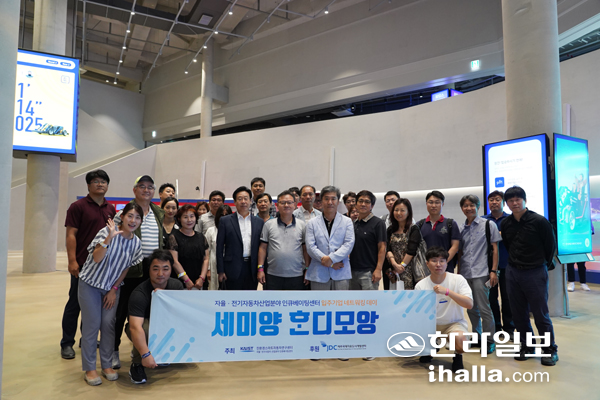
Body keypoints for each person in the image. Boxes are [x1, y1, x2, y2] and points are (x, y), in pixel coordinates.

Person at [78, 202, 144, 385]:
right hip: (90, 284)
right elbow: (96, 257)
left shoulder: (136, 243)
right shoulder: (106, 232)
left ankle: (106, 365)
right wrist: (108, 238)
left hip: (111, 288)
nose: (133, 220)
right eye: (130, 216)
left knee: (108, 325)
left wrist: (114, 289)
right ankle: (90, 368)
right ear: (122, 217)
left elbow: (126, 268)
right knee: (92, 325)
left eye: (137, 217)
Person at [61, 170, 116, 360]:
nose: (100, 184)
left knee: (93, 306)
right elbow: (71, 235)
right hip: (83, 265)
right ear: (88, 185)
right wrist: (72, 260)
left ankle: (87, 339)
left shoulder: (110, 209)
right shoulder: (77, 207)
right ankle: (66, 343)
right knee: (75, 304)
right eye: (96, 181)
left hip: (101, 266)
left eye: (103, 181)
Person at [501, 186, 558, 366]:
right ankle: (527, 346)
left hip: (535, 272)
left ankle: (550, 350)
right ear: (507, 203)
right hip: (513, 272)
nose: (514, 203)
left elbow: (550, 247)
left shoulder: (539, 221)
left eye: (518, 199)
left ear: (524, 200)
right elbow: (509, 245)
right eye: (511, 200)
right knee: (518, 313)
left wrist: (539, 264)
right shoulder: (506, 223)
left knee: (540, 314)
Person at [112, 175, 165, 370]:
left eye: (150, 187)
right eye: (142, 186)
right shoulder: (125, 213)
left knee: (148, 314)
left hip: (152, 271)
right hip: (129, 271)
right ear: (134, 190)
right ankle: (113, 351)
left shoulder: (158, 212)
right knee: (120, 313)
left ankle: (146, 351)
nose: (146, 190)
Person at [126, 250, 184, 384]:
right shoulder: (139, 293)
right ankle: (137, 364)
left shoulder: (176, 286)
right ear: (149, 270)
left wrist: (167, 297)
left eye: (165, 269)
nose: (160, 274)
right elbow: (135, 327)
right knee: (145, 329)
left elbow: (182, 313)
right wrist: (145, 355)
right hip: (143, 326)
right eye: (155, 269)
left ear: (171, 270)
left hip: (166, 323)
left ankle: (162, 354)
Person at [415, 247, 473, 372]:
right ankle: (432, 347)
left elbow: (469, 304)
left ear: (447, 263)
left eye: (442, 261)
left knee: (461, 343)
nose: (438, 264)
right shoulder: (420, 285)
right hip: (430, 326)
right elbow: (418, 313)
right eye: (434, 261)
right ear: (427, 263)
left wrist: (447, 292)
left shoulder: (458, 279)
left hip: (453, 324)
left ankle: (457, 356)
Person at [458, 194, 500, 353]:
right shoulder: (461, 228)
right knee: (471, 308)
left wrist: (493, 271)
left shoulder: (488, 225)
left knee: (484, 308)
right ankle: (477, 336)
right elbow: (460, 252)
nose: (468, 208)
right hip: (466, 273)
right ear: (462, 208)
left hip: (482, 272)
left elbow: (495, 249)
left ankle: (489, 340)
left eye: (472, 205)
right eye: (465, 205)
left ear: (478, 207)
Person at [257, 190, 310, 290]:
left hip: (297, 275)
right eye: (282, 202)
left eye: (289, 202)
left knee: (295, 300)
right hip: (272, 275)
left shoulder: (302, 225)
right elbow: (263, 248)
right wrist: (260, 269)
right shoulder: (269, 224)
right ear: (277, 205)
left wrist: (307, 269)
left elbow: (305, 249)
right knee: (272, 300)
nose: (286, 205)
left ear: (295, 205)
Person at [306, 186, 355, 290]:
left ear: (338, 201)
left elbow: (348, 244)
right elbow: (310, 246)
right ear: (321, 201)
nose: (330, 202)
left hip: (341, 272)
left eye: (333, 199)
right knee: (319, 301)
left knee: (341, 301)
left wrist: (331, 259)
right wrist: (325, 260)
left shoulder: (347, 221)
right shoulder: (312, 223)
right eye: (326, 199)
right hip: (319, 273)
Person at [217, 186, 265, 290]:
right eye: (240, 199)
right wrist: (220, 270)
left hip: (252, 267)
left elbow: (262, 247)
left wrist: (261, 269)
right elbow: (219, 247)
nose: (243, 201)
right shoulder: (225, 221)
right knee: (232, 297)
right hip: (231, 268)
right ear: (234, 202)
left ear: (251, 201)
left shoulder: (259, 222)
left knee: (250, 297)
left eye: (246, 198)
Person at [482, 190, 515, 337]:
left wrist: (498, 235)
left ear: (503, 203)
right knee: (491, 298)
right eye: (491, 200)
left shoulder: (511, 219)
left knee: (508, 298)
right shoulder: (483, 221)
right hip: (488, 267)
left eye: (497, 199)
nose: (494, 202)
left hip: (508, 265)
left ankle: (510, 328)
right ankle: (496, 327)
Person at [350, 190, 386, 291]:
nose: (363, 204)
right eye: (360, 201)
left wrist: (378, 269)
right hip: (351, 271)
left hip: (369, 272)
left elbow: (382, 248)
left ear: (372, 205)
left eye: (367, 202)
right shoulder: (353, 223)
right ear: (356, 204)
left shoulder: (378, 223)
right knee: (353, 300)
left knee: (370, 300)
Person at [167, 204, 209, 290]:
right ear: (179, 219)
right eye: (185, 217)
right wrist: (186, 280)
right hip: (181, 281)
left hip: (199, 282)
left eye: (192, 216)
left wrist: (202, 278)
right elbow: (175, 261)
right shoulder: (174, 237)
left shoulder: (201, 237)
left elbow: (206, 259)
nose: (189, 220)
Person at [418, 190, 461, 273]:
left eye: (437, 202)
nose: (433, 205)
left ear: (442, 204)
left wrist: (442, 263)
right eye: (430, 202)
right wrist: (429, 264)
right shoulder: (419, 225)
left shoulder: (451, 223)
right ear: (426, 204)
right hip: (425, 270)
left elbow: (455, 246)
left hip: (446, 269)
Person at [386, 198, 423, 290]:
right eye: (396, 210)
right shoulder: (390, 229)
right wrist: (394, 264)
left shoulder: (413, 229)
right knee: (395, 295)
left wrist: (402, 266)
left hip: (410, 269)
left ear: (408, 212)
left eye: (402, 210)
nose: (399, 213)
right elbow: (387, 249)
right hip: (394, 270)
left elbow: (411, 250)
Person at [205, 205, 233, 290]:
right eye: (221, 215)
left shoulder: (234, 231)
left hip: (230, 264)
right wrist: (208, 269)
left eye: (226, 215)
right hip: (214, 264)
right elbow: (206, 252)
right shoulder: (210, 231)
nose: (223, 218)